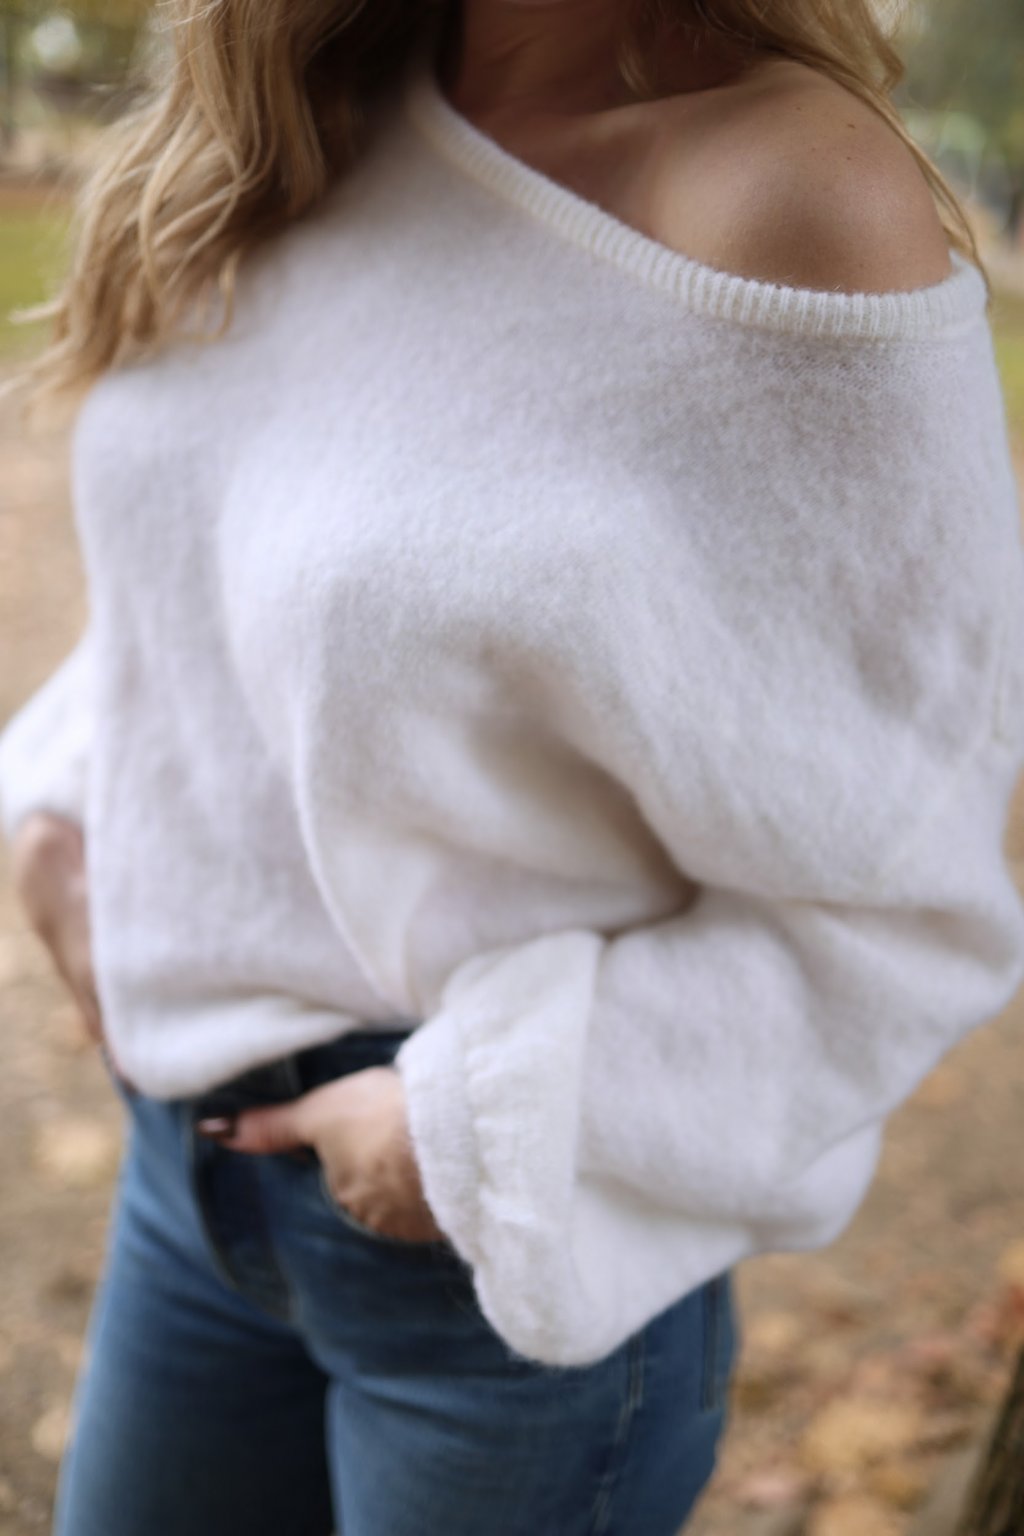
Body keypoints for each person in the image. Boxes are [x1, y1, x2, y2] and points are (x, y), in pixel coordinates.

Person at [3, 0, 1024, 1531]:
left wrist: (464, 1137)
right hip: (183, 1178)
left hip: (491, 1275)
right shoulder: (305, 108)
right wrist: (56, 800)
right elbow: (228, 563)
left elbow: (908, 898)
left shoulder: (787, 194)